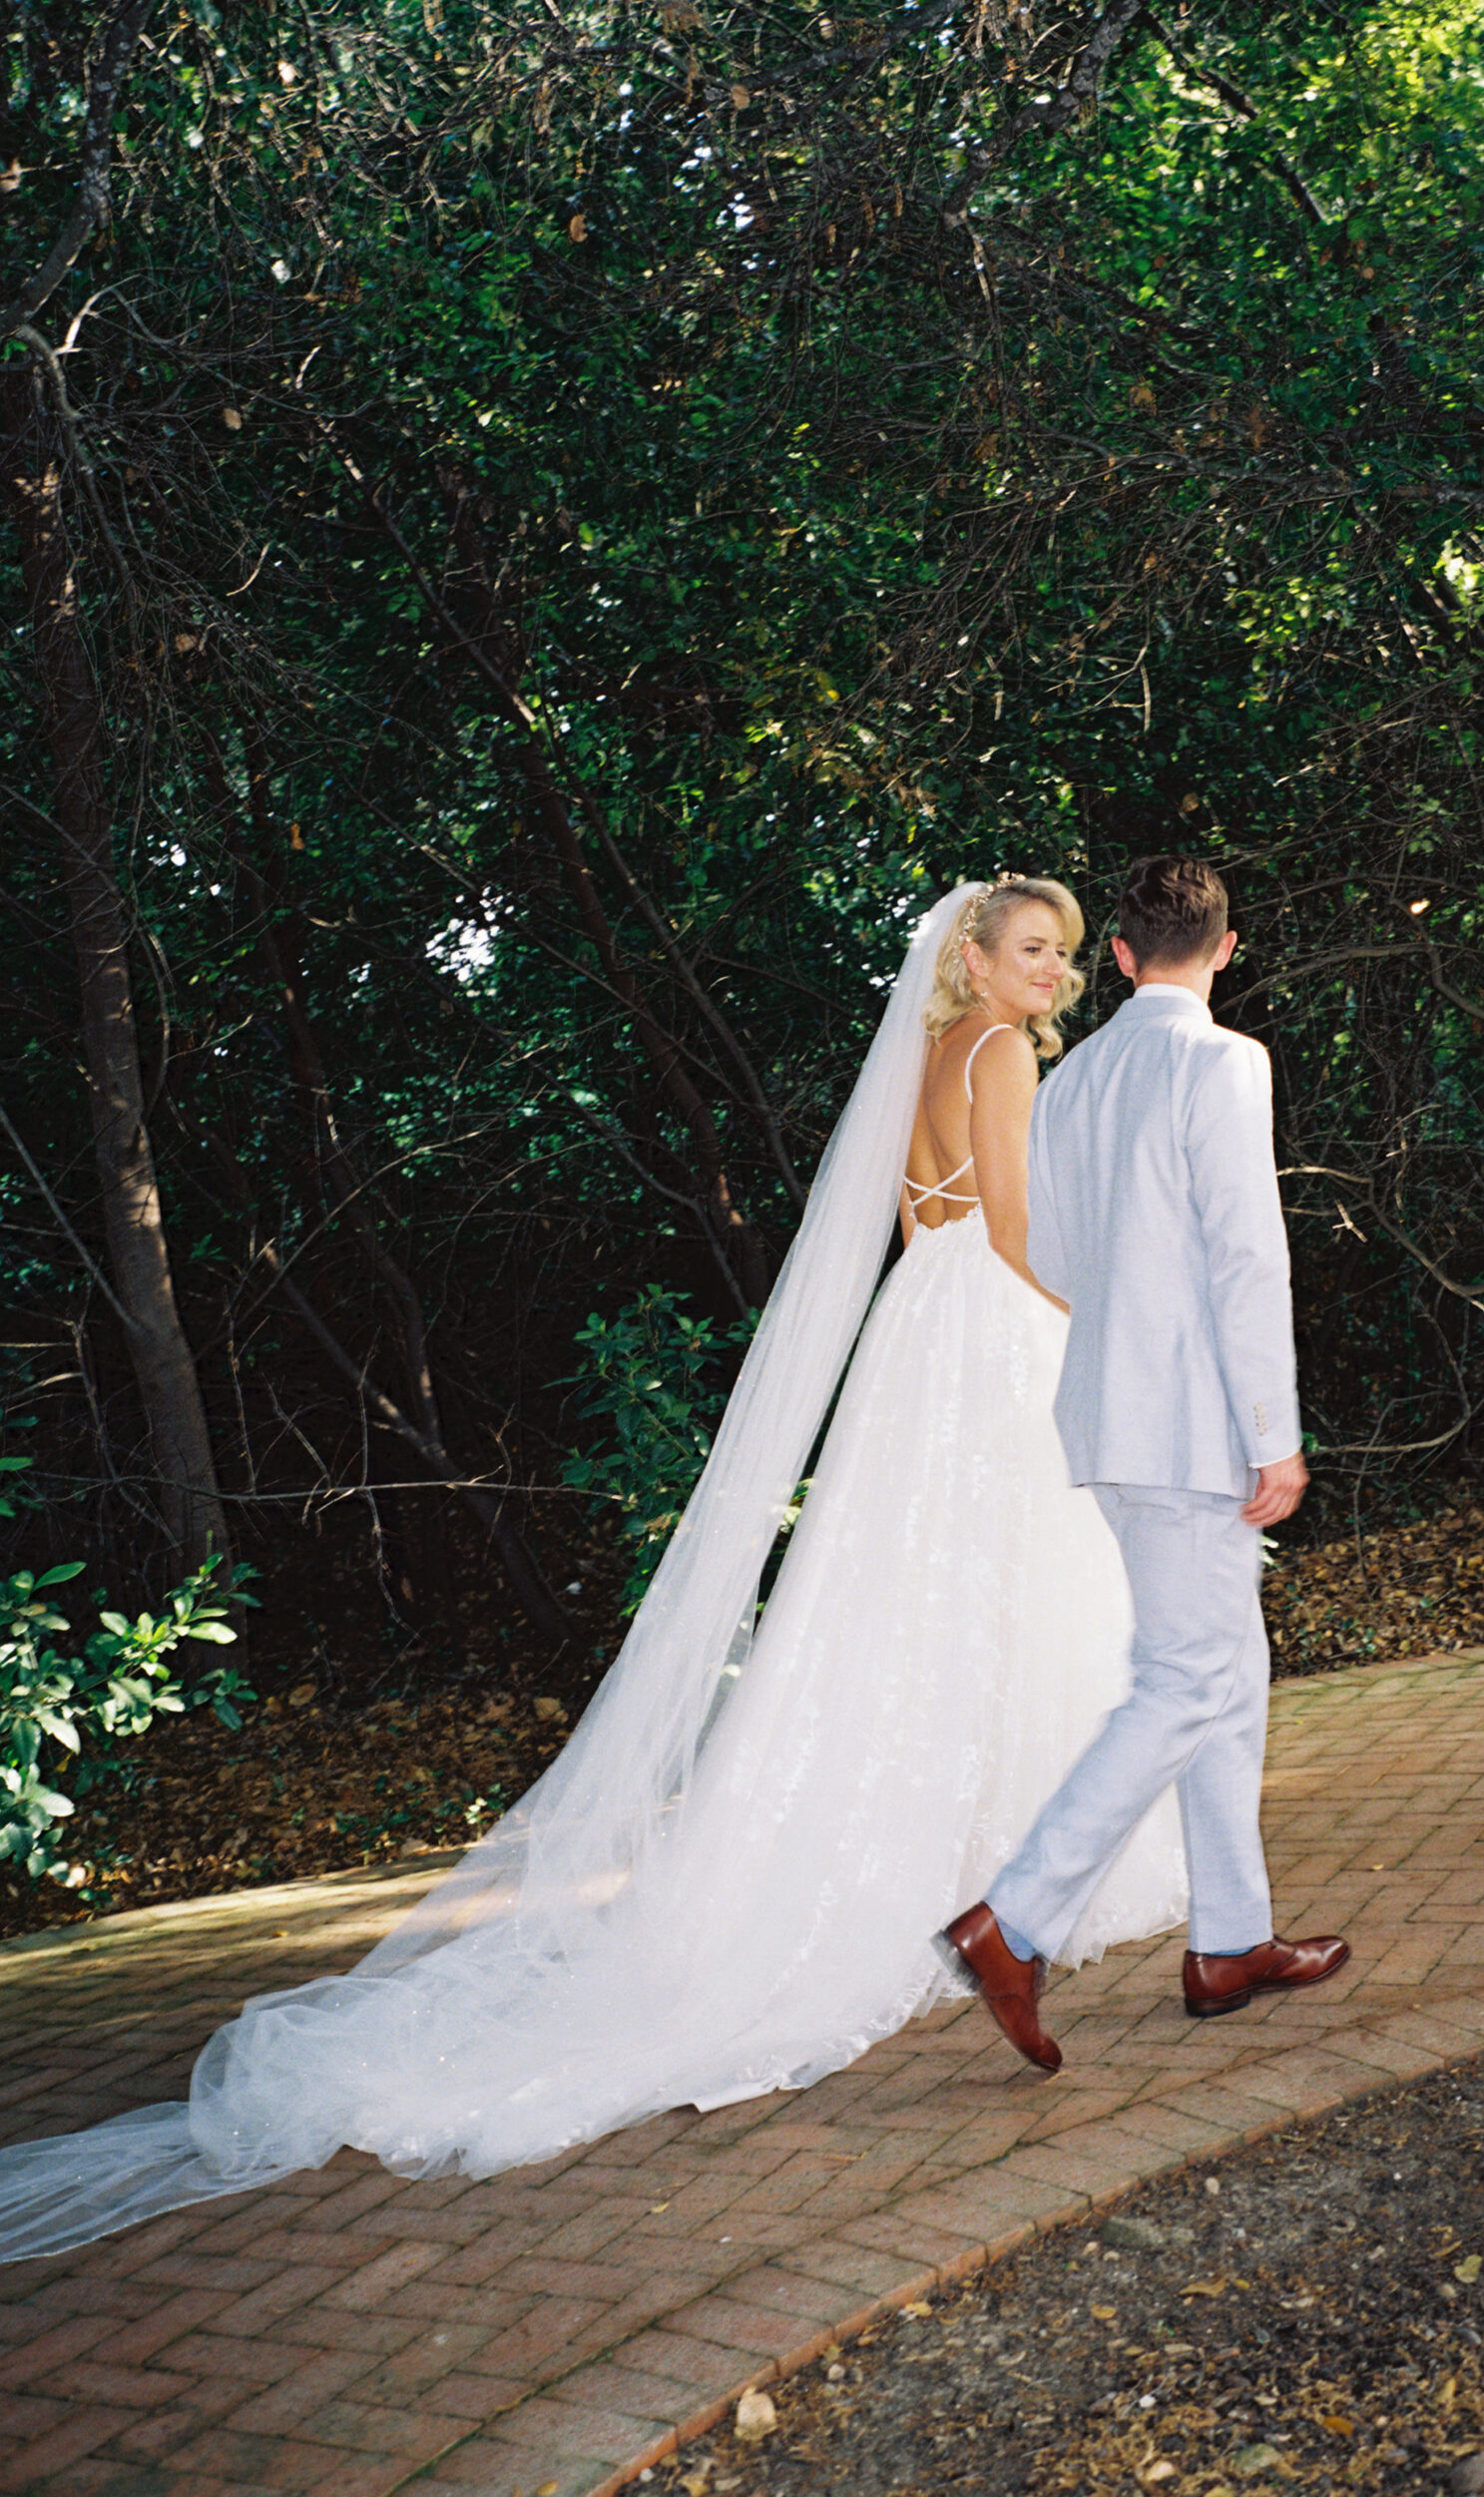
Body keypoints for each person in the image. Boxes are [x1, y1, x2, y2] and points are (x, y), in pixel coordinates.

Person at [0, 879, 1187, 2263]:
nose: (1051, 974)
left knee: (914, 1605)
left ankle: (974, 1847)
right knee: (1016, 1588)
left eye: (1059, 953)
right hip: (989, 1334)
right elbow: (1014, 1230)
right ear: (972, 961)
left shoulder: (930, 1053)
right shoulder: (989, 1054)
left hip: (920, 1333)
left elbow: (929, 1226)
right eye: (1029, 951)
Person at [943, 856, 1350, 2073]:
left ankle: (1229, 1942)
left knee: (1227, 1668)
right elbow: (1243, 1257)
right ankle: (1012, 1923)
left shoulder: (1075, 1080)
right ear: (1225, 949)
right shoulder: (1221, 1061)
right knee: (1185, 1679)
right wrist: (1270, 1433)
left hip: (1109, 1419)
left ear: (1117, 956)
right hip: (1194, 1429)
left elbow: (1054, 1251)